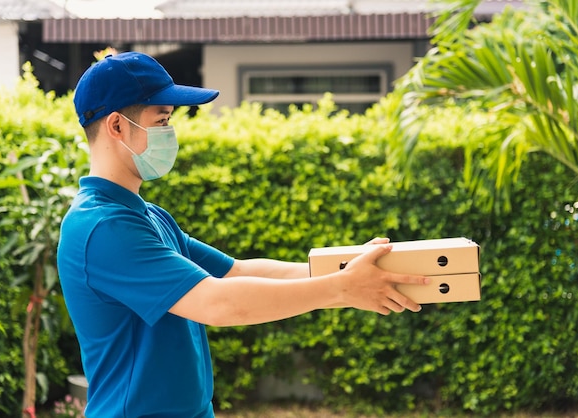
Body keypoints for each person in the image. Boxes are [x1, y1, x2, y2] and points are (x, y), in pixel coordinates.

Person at [56, 51, 429, 418]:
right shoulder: (103, 227)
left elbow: (236, 271)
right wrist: (342, 287)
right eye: (162, 120)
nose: (169, 133)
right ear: (117, 126)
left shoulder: (148, 216)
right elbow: (217, 302)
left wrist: (347, 268)